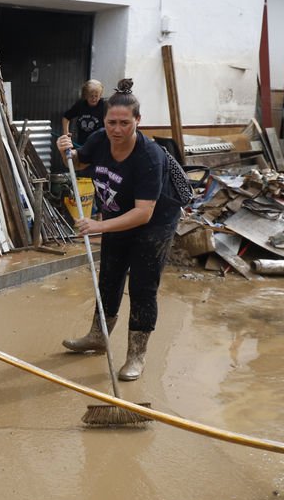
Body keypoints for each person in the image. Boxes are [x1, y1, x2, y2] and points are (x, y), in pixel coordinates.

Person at [57, 79, 187, 382]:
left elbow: (143, 213)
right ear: (104, 120)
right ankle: (98, 337)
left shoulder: (149, 157)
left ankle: (135, 356)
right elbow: (78, 162)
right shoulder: (101, 139)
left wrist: (99, 225)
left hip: (153, 223)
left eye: (124, 123)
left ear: (137, 121)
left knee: (142, 287)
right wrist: (67, 149)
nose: (117, 129)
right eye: (112, 122)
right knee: (109, 278)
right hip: (116, 216)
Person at [62, 79, 107, 147]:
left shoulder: (104, 106)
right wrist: (66, 133)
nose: (94, 98)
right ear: (86, 95)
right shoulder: (80, 104)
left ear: (100, 95)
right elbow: (66, 117)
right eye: (91, 96)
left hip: (99, 145)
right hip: (82, 143)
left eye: (96, 96)